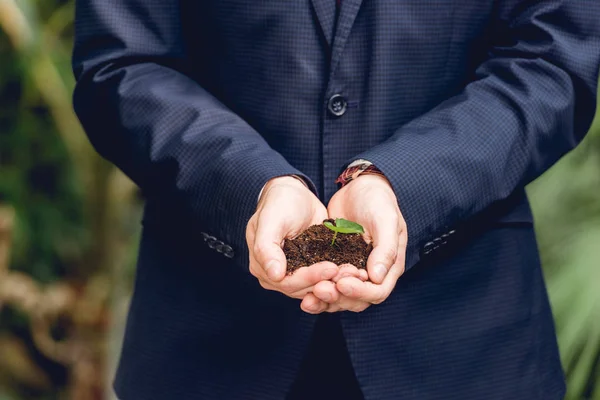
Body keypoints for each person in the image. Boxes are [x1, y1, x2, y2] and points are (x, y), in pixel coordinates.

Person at [72, 0, 600, 398]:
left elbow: (553, 62)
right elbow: (123, 63)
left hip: (465, 349)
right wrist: (250, 186)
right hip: (210, 350)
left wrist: (403, 184)